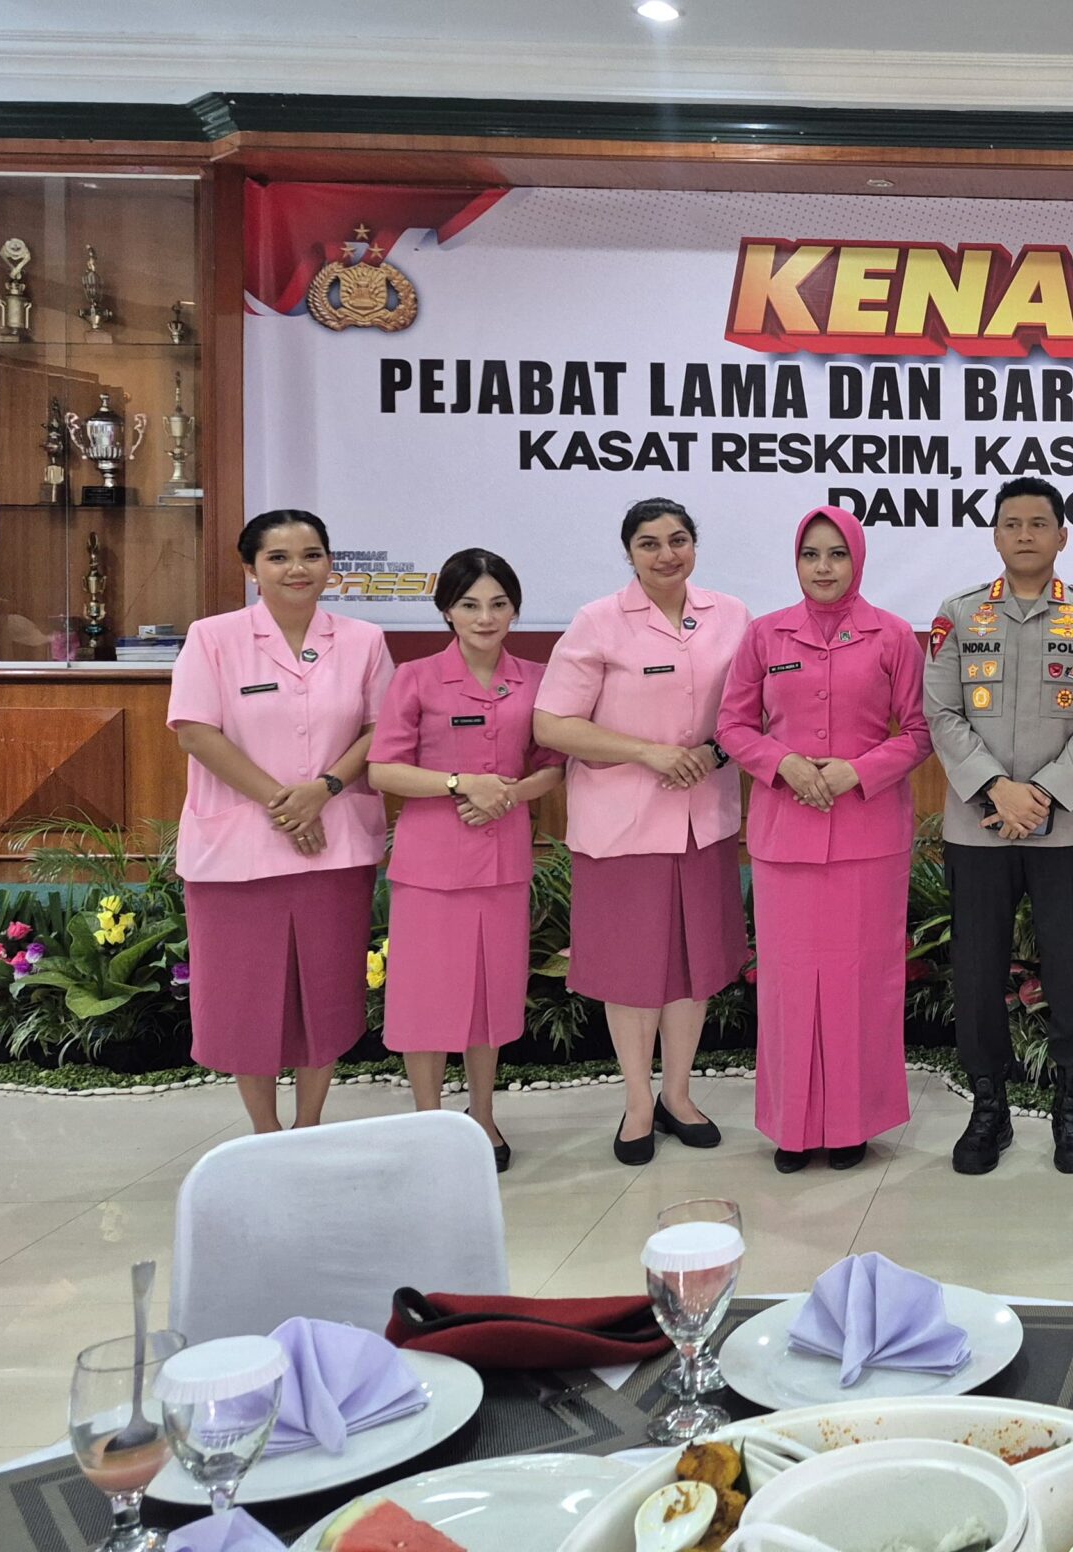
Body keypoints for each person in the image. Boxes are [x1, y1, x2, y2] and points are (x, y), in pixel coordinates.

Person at [921, 479, 1073, 1177]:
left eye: (1040, 524)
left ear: (1063, 536)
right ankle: (990, 1108)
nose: (1025, 535)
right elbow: (942, 714)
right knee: (977, 970)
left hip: (1062, 826)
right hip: (978, 824)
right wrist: (998, 790)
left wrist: (1038, 796)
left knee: (1072, 968)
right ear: (995, 535)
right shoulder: (959, 615)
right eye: (1012, 524)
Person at [718, 506, 934, 1172]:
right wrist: (782, 763)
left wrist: (856, 771)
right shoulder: (764, 635)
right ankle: (791, 1127)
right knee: (788, 984)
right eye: (810, 554)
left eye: (837, 554)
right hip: (786, 836)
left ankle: (851, 1124)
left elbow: (921, 732)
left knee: (859, 982)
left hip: (869, 836)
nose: (823, 567)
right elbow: (732, 726)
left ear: (857, 560)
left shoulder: (893, 636)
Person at [534, 498, 750, 1165]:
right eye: (649, 543)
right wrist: (646, 752)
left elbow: (751, 710)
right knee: (632, 971)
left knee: (693, 966)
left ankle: (678, 1095)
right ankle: (636, 1103)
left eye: (678, 540)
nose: (666, 554)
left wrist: (714, 752)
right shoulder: (598, 621)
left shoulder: (732, 615)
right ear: (629, 553)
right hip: (622, 825)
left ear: (695, 546)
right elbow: (552, 725)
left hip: (703, 821)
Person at [166, 509, 392, 1133]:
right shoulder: (213, 637)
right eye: (279, 557)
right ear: (251, 569)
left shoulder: (364, 640)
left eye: (312, 555)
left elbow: (381, 730)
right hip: (237, 853)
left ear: (330, 565)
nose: (298, 568)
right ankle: (265, 1134)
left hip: (334, 844)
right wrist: (285, 804)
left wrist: (323, 790)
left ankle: (309, 1126)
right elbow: (195, 733)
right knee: (245, 998)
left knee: (326, 991)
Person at [366, 548, 564, 1169]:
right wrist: (461, 784)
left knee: (489, 994)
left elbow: (553, 766)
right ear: (447, 611)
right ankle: (429, 1122)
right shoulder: (416, 677)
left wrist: (507, 794)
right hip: (429, 864)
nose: (485, 617)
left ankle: (483, 1117)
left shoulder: (537, 679)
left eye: (499, 604)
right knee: (424, 999)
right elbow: (383, 769)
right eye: (470, 605)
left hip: (503, 859)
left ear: (515, 610)